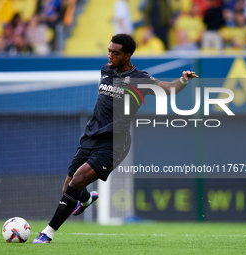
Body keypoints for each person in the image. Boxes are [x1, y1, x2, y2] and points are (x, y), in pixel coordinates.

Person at [33, 33, 198, 244]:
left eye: (115, 53)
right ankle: (86, 199)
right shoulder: (106, 70)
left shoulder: (140, 79)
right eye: (109, 51)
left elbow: (169, 89)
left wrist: (183, 80)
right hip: (91, 135)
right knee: (69, 188)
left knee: (79, 178)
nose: (110, 56)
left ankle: (47, 233)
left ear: (127, 56)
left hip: (114, 142)